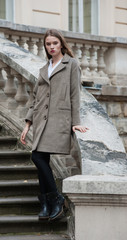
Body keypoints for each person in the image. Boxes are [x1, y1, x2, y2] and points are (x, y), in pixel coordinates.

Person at [20, 29, 88, 221]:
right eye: (48, 44)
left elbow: (75, 94)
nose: (51, 47)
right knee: (41, 158)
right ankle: (46, 204)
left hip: (59, 120)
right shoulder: (44, 68)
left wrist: (76, 123)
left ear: (61, 45)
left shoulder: (71, 64)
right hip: (41, 121)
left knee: (37, 157)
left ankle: (56, 198)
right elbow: (35, 98)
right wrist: (27, 124)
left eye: (55, 43)